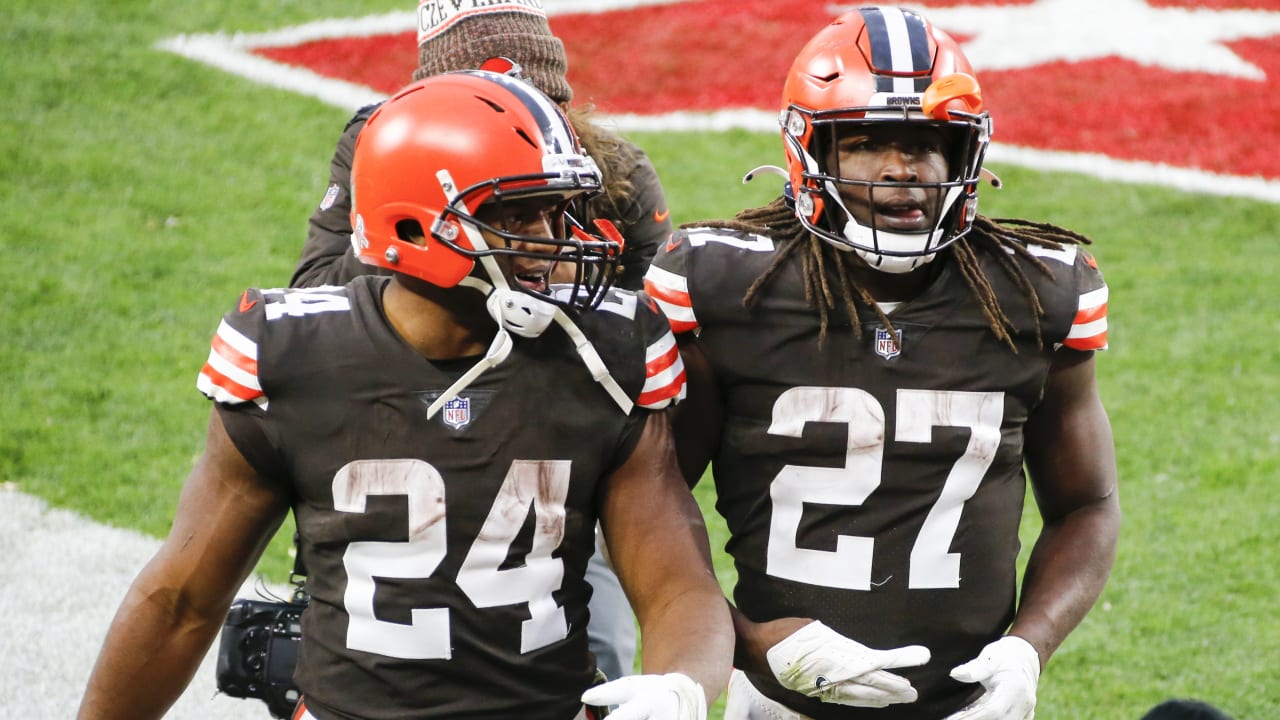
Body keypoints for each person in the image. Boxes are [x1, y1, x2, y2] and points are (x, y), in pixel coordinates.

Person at [77, 70, 732, 720]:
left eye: (556, 209)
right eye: (516, 213)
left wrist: (677, 686)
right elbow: (181, 603)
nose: (553, 240)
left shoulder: (608, 351)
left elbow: (678, 585)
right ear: (415, 229)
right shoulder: (295, 359)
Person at [643, 7, 1120, 720]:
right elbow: (649, 507)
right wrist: (750, 641)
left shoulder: (1037, 296)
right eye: (868, 143)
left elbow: (1087, 504)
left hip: (969, 708)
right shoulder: (725, 290)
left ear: (967, 157)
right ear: (810, 153)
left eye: (930, 144)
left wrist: (1030, 645)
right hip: (779, 705)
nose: (903, 169)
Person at [290, 0, 669, 681]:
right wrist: (421, 228)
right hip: (408, 418)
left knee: (596, 656)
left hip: (549, 431)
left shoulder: (615, 173)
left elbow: (644, 342)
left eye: (532, 98)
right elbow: (319, 295)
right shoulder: (385, 144)